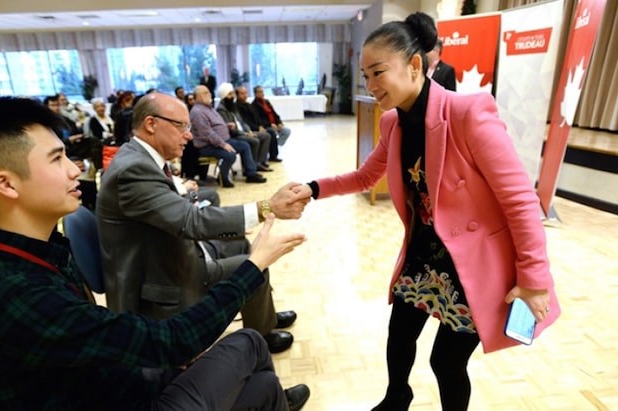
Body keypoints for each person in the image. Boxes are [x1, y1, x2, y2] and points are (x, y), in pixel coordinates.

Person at [0, 93, 311, 410]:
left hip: (110, 384)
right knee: (248, 342)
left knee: (262, 386)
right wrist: (255, 261)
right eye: (57, 159)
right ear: (5, 183)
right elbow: (171, 342)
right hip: (133, 363)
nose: (76, 170)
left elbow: (92, 354)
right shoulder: (18, 293)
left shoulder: (34, 256)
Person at [290, 12, 560, 411]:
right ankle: (397, 397)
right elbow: (367, 176)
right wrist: (312, 189)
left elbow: (520, 200)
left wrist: (534, 278)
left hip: (472, 264)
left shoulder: (469, 115)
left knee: (446, 362)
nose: (370, 85)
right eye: (365, 75)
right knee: (399, 334)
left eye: (378, 72)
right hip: (425, 253)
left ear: (415, 65)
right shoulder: (393, 123)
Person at [97, 92, 305, 354]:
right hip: (164, 280)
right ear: (151, 124)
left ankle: (265, 319)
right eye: (181, 126)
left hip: (169, 256)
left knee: (240, 243)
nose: (188, 135)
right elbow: (190, 221)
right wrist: (266, 207)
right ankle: (260, 340)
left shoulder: (139, 157)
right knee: (254, 266)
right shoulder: (133, 170)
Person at [190, 85, 267, 187]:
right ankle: (223, 178)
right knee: (230, 155)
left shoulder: (208, 108)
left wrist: (226, 126)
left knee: (244, 146)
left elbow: (215, 126)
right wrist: (223, 145)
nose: (209, 94)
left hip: (222, 141)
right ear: (198, 96)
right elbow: (207, 133)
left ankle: (251, 174)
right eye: (206, 93)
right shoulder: (197, 112)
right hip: (208, 146)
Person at [216, 82, 272, 172]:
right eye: (230, 94)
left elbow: (242, 122)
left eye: (232, 93)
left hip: (243, 132)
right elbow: (231, 129)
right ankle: (249, 168)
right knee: (254, 141)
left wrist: (248, 130)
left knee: (266, 135)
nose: (233, 96)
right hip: (235, 135)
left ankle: (259, 162)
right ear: (224, 95)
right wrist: (245, 134)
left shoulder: (232, 106)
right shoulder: (221, 109)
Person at [236, 86, 282, 162]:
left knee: (273, 132)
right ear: (237, 95)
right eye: (242, 94)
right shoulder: (238, 107)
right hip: (250, 130)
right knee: (270, 133)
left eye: (246, 93)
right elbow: (245, 122)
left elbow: (257, 118)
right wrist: (258, 128)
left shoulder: (248, 105)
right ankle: (263, 160)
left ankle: (268, 157)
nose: (245, 95)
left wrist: (261, 126)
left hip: (258, 127)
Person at [252, 85, 291, 151]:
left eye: (262, 91)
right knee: (272, 132)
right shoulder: (254, 105)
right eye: (260, 92)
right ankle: (273, 147)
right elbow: (259, 119)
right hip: (267, 125)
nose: (262, 93)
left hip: (275, 124)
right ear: (256, 94)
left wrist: (279, 122)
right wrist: (270, 125)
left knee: (287, 131)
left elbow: (274, 114)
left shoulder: (267, 102)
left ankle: (274, 145)